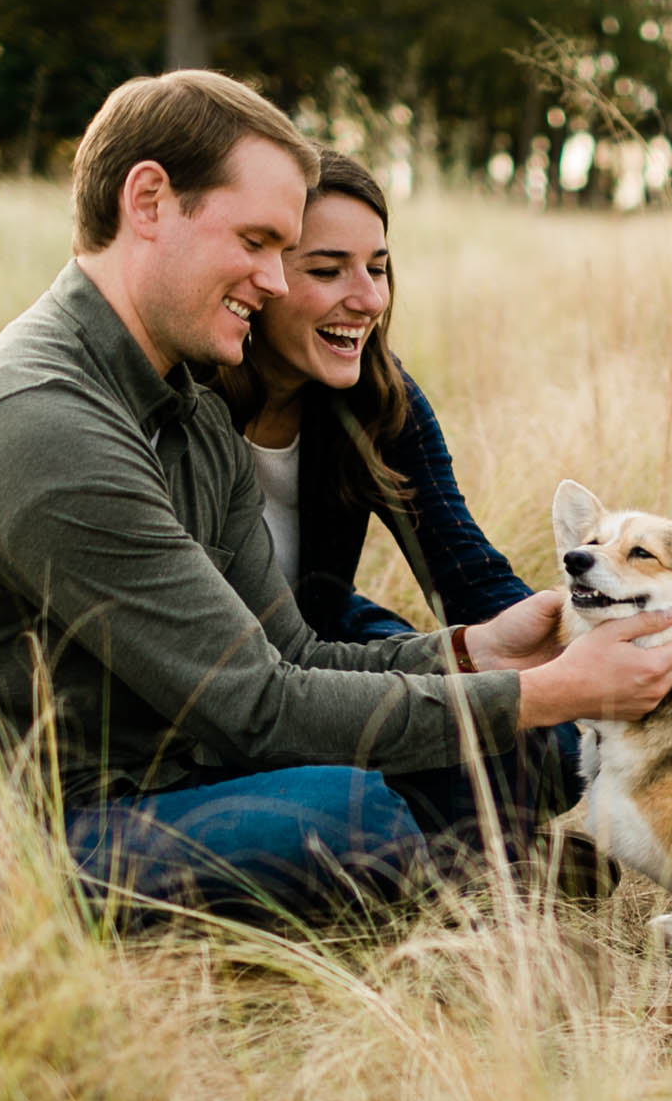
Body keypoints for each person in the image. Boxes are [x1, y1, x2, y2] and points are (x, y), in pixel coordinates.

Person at [0, 70, 672, 922]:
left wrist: (474, 651)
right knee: (354, 817)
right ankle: (468, 876)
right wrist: (554, 693)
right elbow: (257, 705)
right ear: (149, 201)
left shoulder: (189, 407)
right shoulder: (44, 420)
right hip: (7, 835)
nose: (276, 281)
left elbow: (291, 652)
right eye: (256, 241)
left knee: (471, 755)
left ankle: (464, 869)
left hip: (162, 771)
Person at [212, 148, 586, 805]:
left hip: (332, 640)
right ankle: (455, 837)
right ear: (260, 276)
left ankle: (473, 836)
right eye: (328, 270)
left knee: (553, 745)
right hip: (232, 678)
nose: (367, 299)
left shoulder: (378, 400)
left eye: (379, 269)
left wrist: (582, 644)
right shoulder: (191, 409)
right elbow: (243, 684)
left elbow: (464, 570)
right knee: (348, 796)